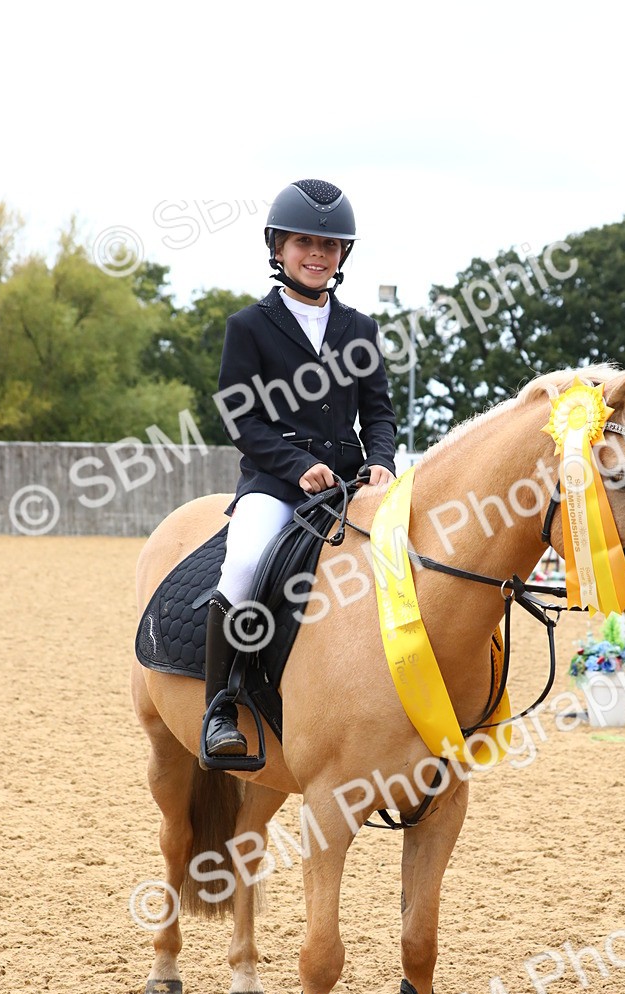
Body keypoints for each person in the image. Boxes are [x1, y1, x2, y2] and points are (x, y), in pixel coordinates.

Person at [203, 178, 398, 758]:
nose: (317, 254)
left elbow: (380, 414)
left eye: (330, 246)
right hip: (276, 485)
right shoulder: (249, 326)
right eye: (304, 243)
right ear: (279, 250)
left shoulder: (360, 329)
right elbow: (241, 419)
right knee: (241, 565)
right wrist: (296, 465)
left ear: (342, 256)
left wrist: (381, 462)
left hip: (349, 486)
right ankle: (222, 706)